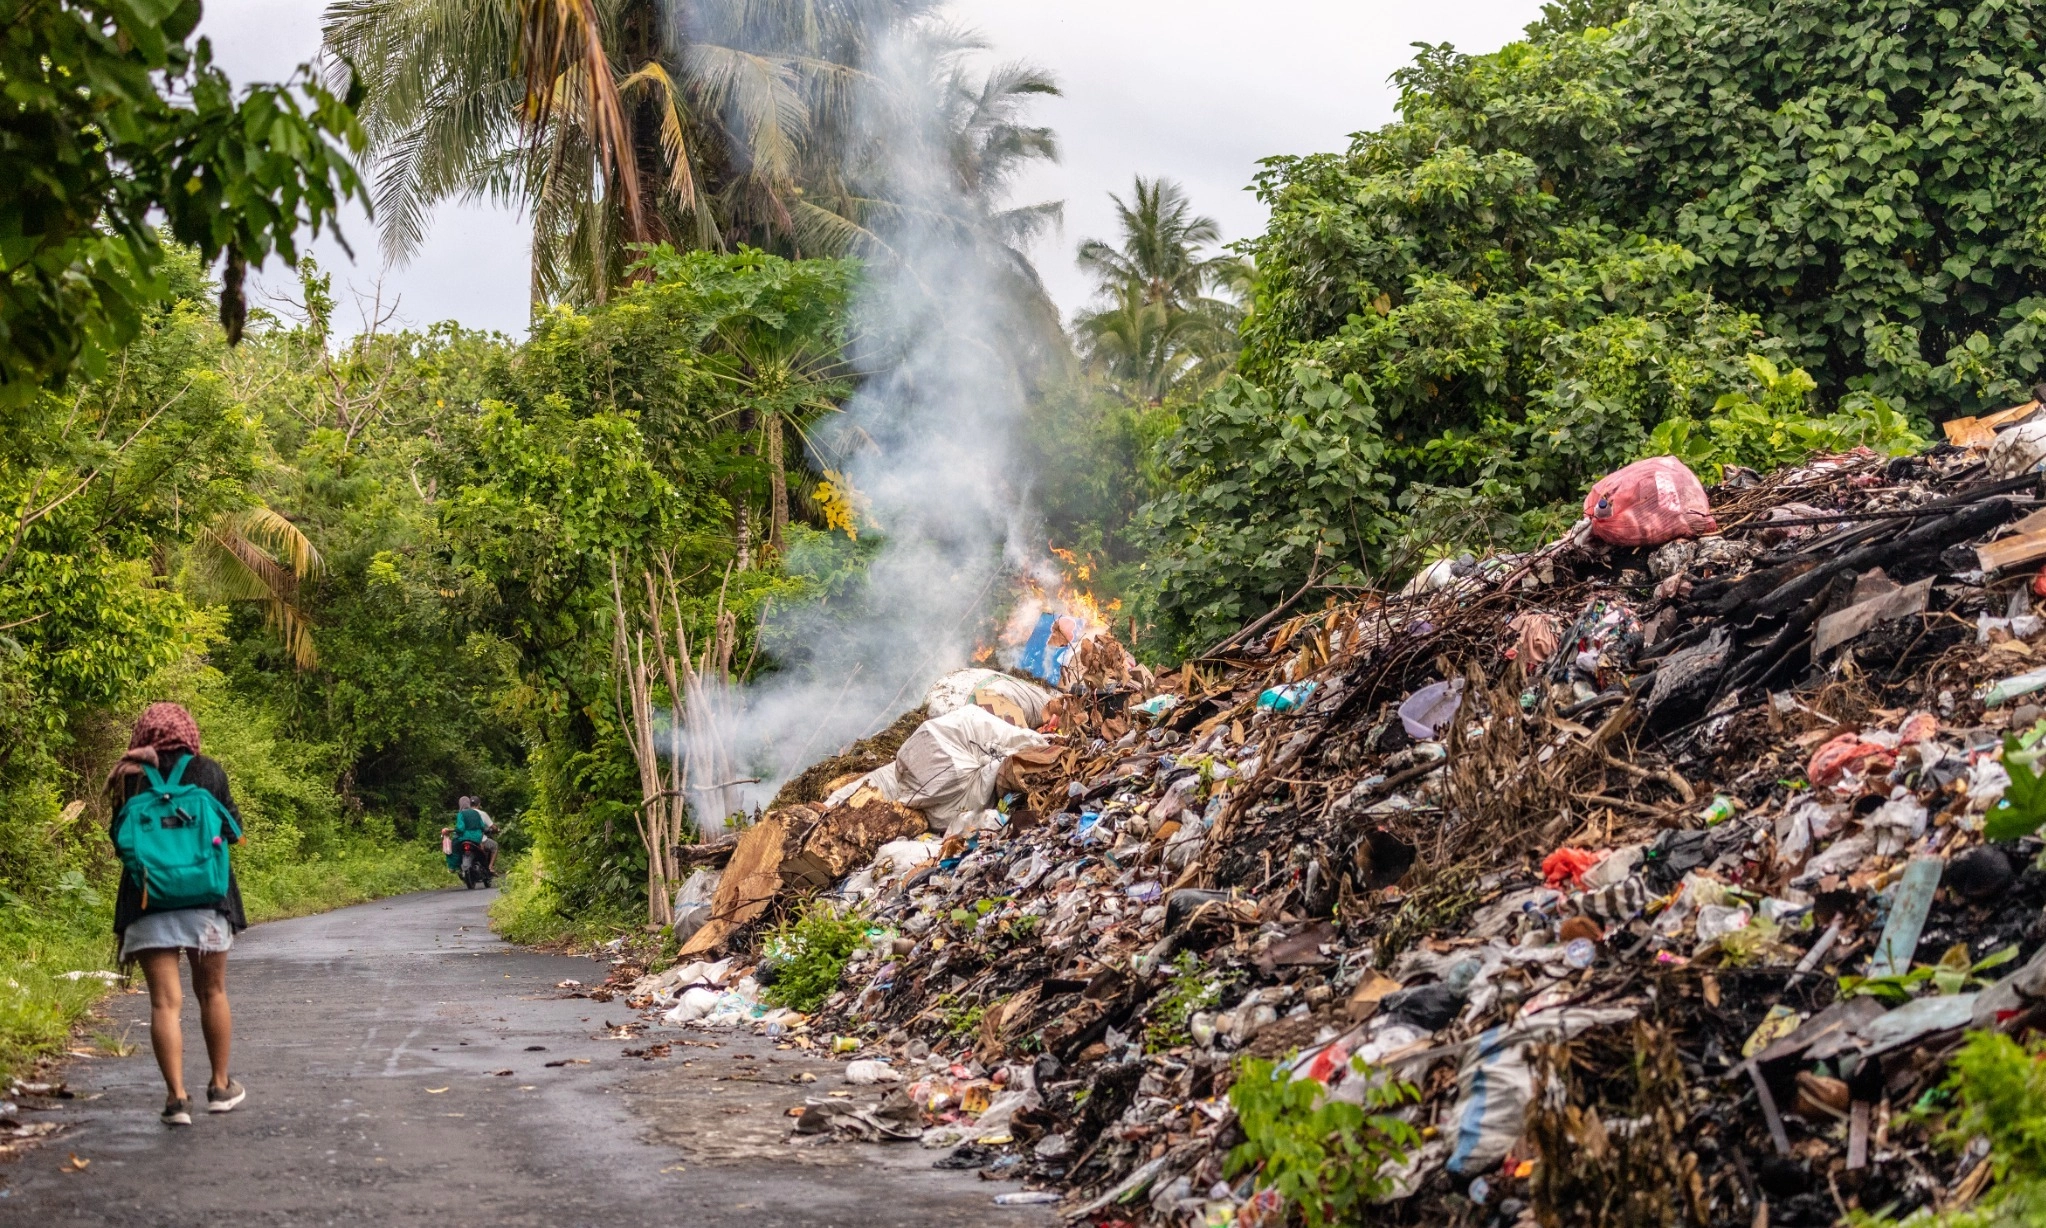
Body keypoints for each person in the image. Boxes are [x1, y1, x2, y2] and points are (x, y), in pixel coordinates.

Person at [106, 702, 247, 1127]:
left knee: (164, 1004)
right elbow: (235, 833)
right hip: (206, 901)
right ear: (188, 732)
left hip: (148, 902)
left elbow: (119, 840)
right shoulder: (208, 772)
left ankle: (176, 1099)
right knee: (213, 993)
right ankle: (220, 1087)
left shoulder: (128, 777)